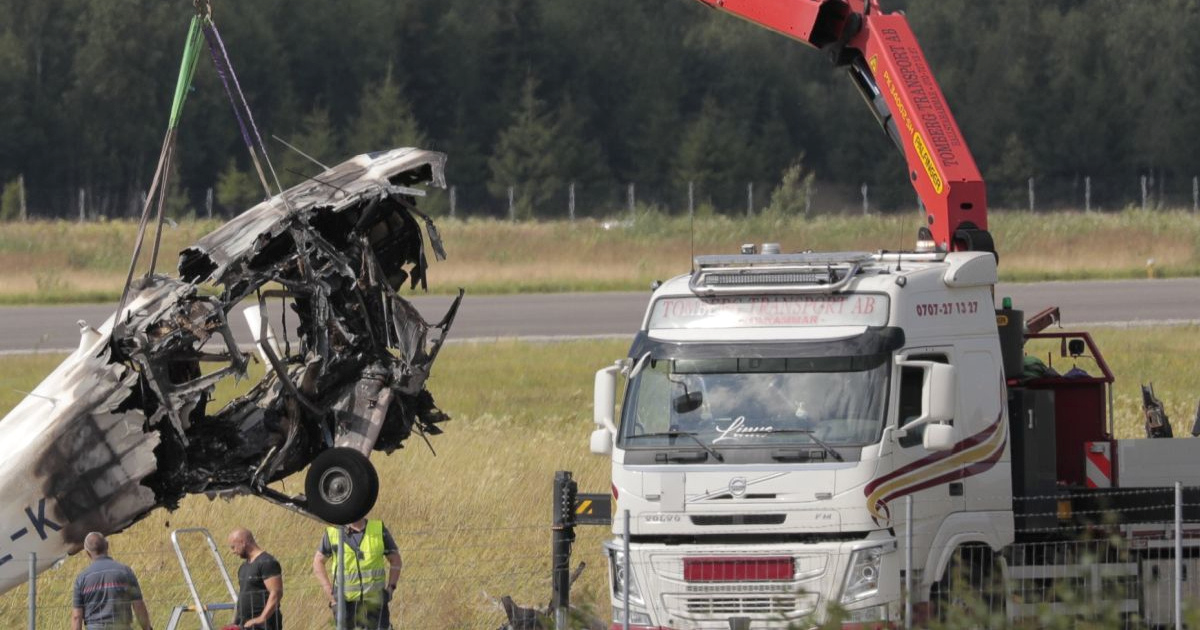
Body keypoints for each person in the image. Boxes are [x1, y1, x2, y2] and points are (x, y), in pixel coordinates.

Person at [311, 517, 402, 629]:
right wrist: (331, 595)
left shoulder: (378, 528)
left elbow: (395, 559)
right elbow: (318, 562)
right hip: (345, 605)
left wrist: (390, 589)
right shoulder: (333, 532)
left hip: (375, 604)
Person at [71, 532, 153, 630]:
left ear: (87, 553)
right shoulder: (125, 572)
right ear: (107, 546)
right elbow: (138, 605)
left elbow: (77, 617)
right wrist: (147, 628)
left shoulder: (82, 578)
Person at [227, 528, 283, 630]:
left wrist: (262, 618)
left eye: (233, 547)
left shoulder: (267, 562)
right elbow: (243, 595)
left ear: (243, 542)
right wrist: (235, 622)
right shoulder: (243, 567)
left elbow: (276, 593)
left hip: (264, 625)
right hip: (245, 624)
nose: (233, 552)